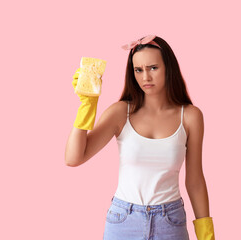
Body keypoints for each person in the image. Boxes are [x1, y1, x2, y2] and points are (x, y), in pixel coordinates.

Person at [65, 35, 215, 240]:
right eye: (138, 70)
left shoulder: (190, 116)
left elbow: (195, 180)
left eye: (153, 67)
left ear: (168, 68)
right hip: (124, 220)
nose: (145, 77)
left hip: (170, 221)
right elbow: (74, 158)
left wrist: (206, 234)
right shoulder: (120, 112)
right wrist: (86, 105)